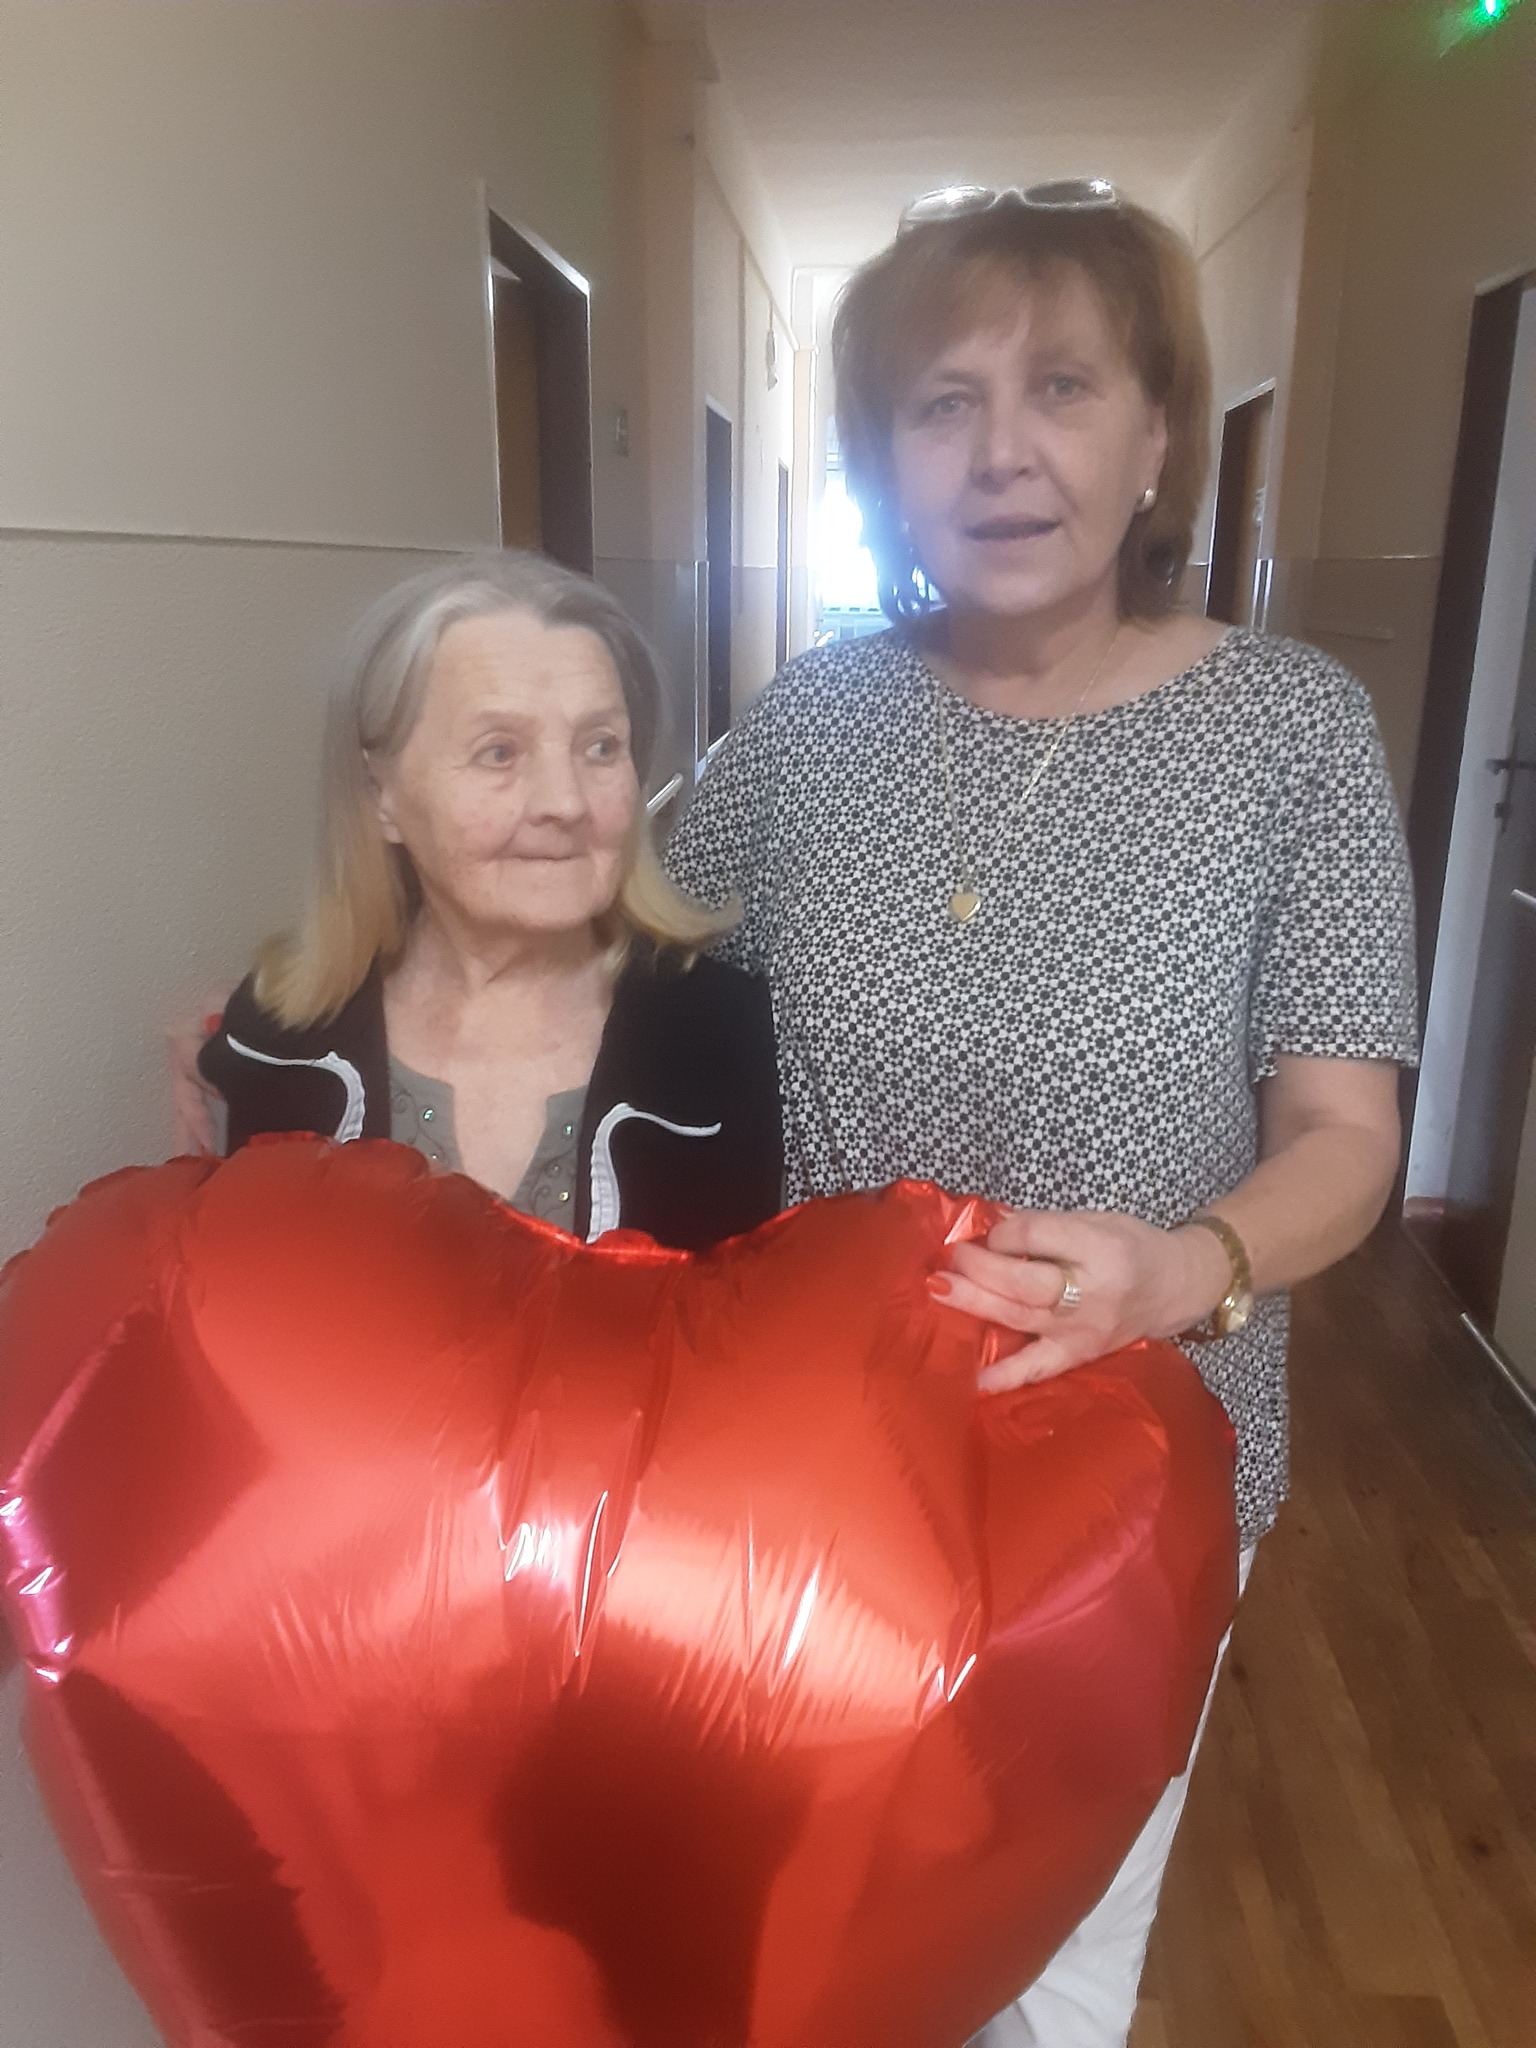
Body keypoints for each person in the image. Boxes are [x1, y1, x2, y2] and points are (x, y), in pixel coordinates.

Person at [663, 181, 1417, 2046]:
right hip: (817, 1461)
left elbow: (1347, 1134)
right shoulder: (807, 725)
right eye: (943, 403)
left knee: (1055, 1949)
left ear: (1158, 437)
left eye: (1063, 387)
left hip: (1134, 1464)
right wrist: (310, 1014)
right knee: (816, 1917)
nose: (1002, 452)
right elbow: (612, 974)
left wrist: (1189, 1264)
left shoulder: (1294, 735)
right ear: (881, 466)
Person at [195, 551, 782, 1251]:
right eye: (499, 752)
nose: (566, 802)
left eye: (601, 747)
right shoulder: (276, 1039)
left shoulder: (725, 1036)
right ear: (380, 795)